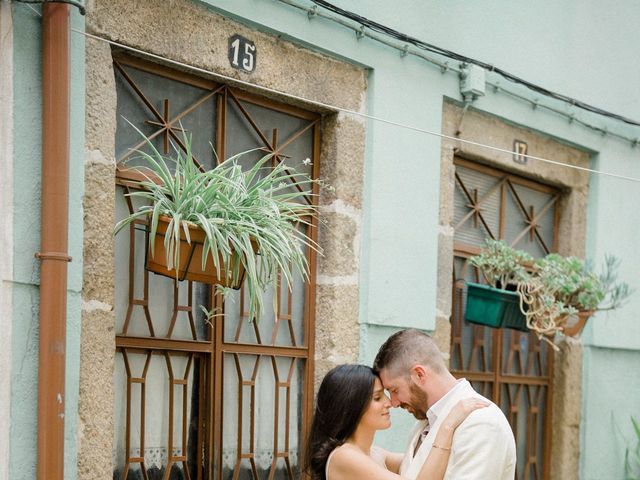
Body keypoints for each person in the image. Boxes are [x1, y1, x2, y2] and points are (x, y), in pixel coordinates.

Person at [373, 329, 517, 480]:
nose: (394, 403)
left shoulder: (481, 422)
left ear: (419, 374)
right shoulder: (423, 422)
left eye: (395, 390)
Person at [304, 364, 489, 480]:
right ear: (352, 406)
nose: (389, 403)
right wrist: (447, 425)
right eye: (377, 398)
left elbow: (429, 461)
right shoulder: (344, 457)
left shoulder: (376, 455)